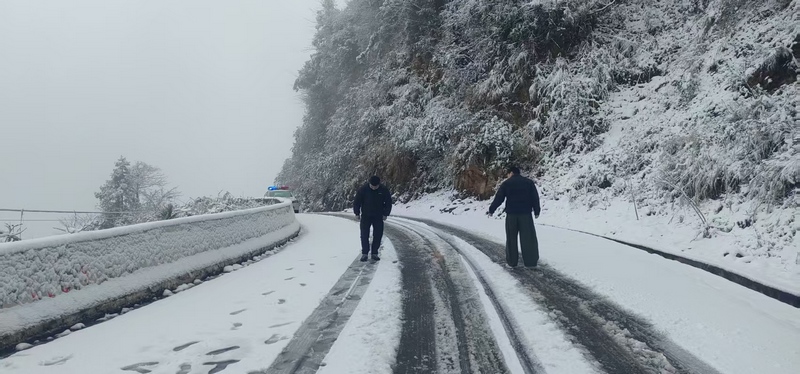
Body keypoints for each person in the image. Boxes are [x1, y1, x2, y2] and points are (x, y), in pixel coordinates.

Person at [488, 166, 541, 268]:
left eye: (508, 174)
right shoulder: (528, 182)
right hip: (525, 215)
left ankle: (512, 262)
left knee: (511, 238)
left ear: (511, 173)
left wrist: (491, 209)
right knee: (528, 238)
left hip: (511, 215)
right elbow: (535, 197)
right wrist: (537, 211)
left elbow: (499, 198)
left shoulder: (507, 183)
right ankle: (531, 262)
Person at [353, 176, 393, 262]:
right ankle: (365, 253)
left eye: (376, 186)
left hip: (378, 216)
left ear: (379, 184)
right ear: (369, 184)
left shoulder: (383, 190)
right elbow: (357, 201)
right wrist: (357, 213)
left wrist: (386, 214)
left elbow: (388, 202)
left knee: (378, 234)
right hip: (366, 216)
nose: (374, 188)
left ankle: (374, 253)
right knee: (364, 235)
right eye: (372, 186)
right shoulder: (363, 189)